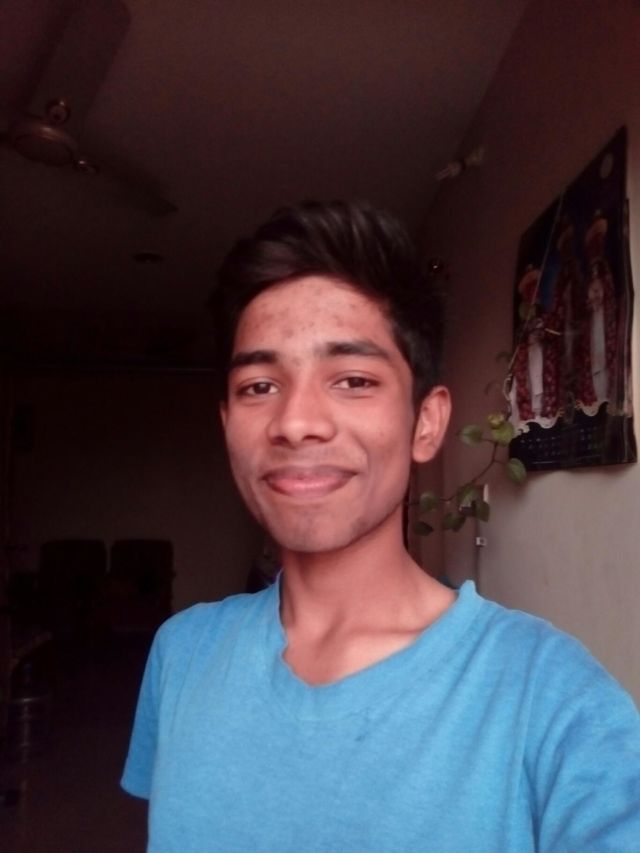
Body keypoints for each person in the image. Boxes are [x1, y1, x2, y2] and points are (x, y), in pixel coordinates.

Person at [121, 200, 640, 852]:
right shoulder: (181, 652)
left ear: (426, 422)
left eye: (353, 379)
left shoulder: (552, 698)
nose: (295, 422)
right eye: (259, 386)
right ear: (227, 424)